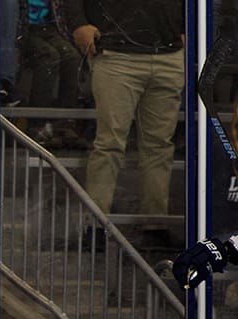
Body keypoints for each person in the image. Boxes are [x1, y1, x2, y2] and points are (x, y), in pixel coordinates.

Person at [56, 1, 184, 224]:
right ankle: (95, 224)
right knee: (112, 144)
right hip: (118, 52)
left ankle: (154, 224)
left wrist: (187, 28)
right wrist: (78, 25)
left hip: (166, 52)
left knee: (157, 146)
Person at [23, 0, 85, 148]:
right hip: (24, 28)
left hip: (48, 27)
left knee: (72, 57)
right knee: (49, 56)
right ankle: (37, 124)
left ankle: (63, 123)